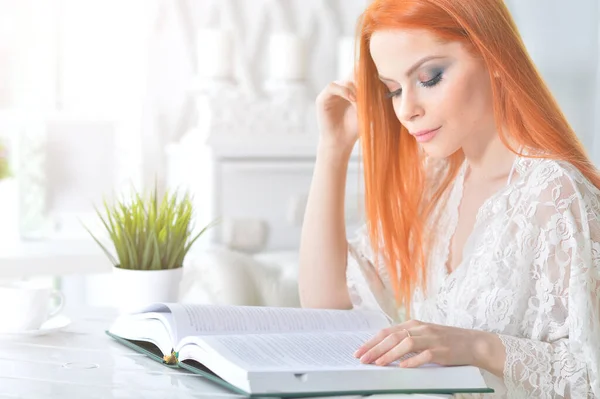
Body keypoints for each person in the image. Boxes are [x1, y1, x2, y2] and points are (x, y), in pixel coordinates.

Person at [298, 0, 600, 398]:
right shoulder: (437, 186)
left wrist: (475, 346)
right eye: (393, 90)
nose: (407, 110)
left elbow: (588, 377)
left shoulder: (554, 194)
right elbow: (325, 308)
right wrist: (332, 149)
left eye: (429, 77)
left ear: (493, 54)